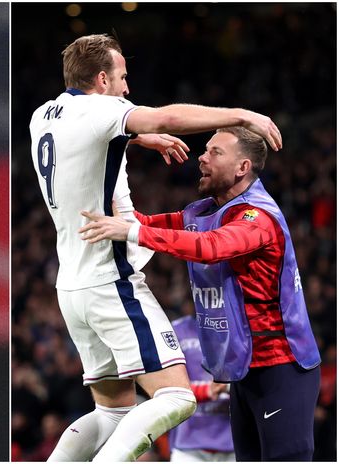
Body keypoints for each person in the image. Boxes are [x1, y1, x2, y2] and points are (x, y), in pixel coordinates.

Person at [28, 34, 283, 461]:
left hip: (71, 285)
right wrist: (242, 114)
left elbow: (80, 145)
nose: (127, 88)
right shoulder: (103, 109)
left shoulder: (43, 116)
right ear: (103, 78)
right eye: (123, 77)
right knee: (177, 398)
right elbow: (165, 117)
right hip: (112, 280)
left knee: (112, 413)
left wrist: (133, 140)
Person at [79, 126, 321, 460]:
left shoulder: (257, 216)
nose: (202, 158)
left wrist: (132, 230)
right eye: (205, 150)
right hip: (243, 369)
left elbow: (210, 247)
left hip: (281, 366)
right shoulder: (203, 212)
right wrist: (116, 151)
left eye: (215, 152)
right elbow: (142, 223)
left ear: (242, 168)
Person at [169, 314, 235, 462]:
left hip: (234, 443)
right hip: (189, 447)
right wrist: (207, 390)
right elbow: (166, 388)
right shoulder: (175, 330)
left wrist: (230, 388)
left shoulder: (239, 327)